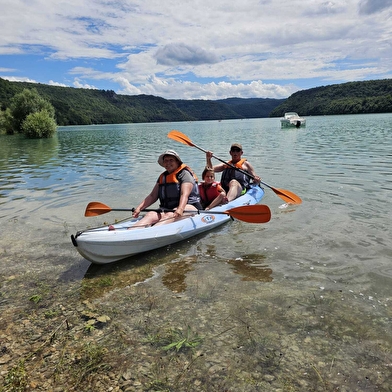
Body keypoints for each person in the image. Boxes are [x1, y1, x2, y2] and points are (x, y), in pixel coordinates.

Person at [131, 150, 202, 228]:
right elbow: (152, 196)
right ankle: (129, 232)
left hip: (189, 206)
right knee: (150, 214)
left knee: (169, 215)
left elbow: (184, 194)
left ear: (177, 162)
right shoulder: (162, 176)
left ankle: (152, 233)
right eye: (166, 161)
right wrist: (139, 208)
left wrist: (180, 209)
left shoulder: (184, 174)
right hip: (167, 208)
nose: (168, 163)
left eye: (171, 160)